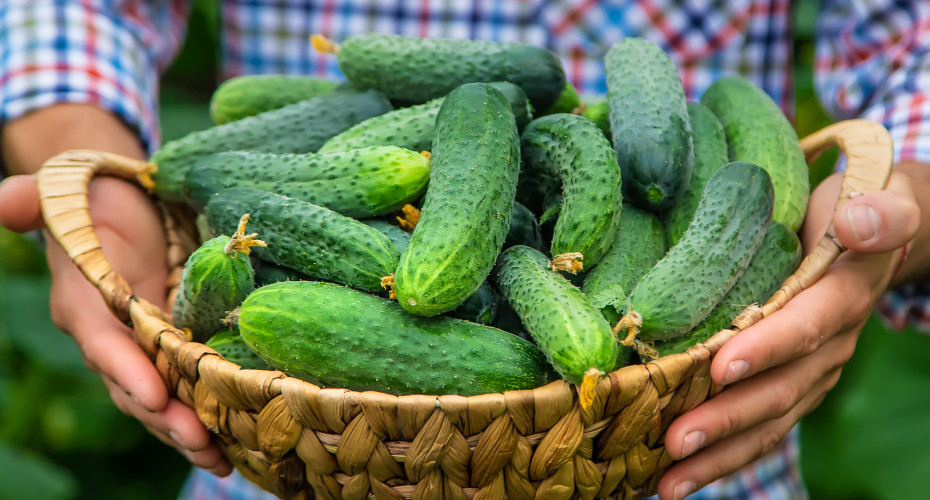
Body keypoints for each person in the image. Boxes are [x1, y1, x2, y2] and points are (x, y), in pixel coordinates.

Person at [0, 1, 926, 499]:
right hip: (301, 462)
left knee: (583, 223)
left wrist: (895, 205)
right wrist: (90, 171)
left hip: (690, 439)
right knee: (376, 238)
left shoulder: (612, 173)